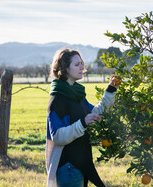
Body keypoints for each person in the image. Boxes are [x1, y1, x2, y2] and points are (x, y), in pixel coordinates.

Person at [46, 47, 120, 187]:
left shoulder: (77, 94)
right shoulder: (58, 99)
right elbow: (58, 136)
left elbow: (96, 113)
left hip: (80, 163)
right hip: (68, 165)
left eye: (82, 63)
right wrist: (82, 123)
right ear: (65, 69)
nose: (82, 67)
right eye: (77, 64)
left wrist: (111, 89)